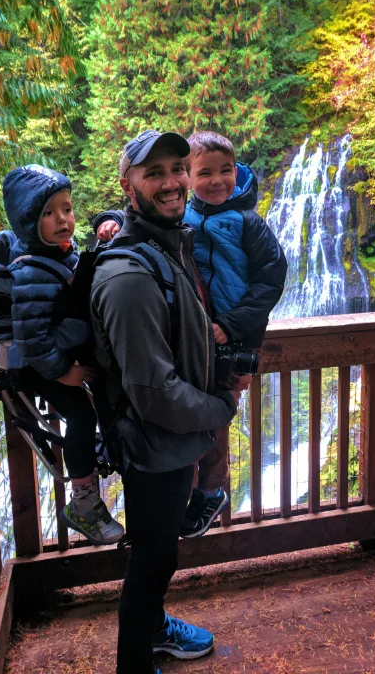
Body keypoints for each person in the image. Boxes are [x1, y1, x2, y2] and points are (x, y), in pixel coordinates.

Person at [89, 130, 243, 674]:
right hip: (155, 443)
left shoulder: (165, 247)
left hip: (173, 441)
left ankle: (154, 631)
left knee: (160, 553)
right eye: (154, 172)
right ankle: (134, 662)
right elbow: (153, 392)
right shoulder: (130, 275)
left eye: (178, 168)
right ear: (128, 185)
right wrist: (220, 410)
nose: (173, 182)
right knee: (153, 559)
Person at [95, 129, 287, 538]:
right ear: (191, 178)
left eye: (226, 171)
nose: (217, 180)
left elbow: (272, 279)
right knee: (201, 408)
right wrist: (108, 221)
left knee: (217, 417)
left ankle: (211, 491)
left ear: (238, 172)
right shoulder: (185, 215)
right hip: (201, 335)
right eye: (203, 173)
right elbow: (141, 216)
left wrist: (234, 326)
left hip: (235, 334)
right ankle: (196, 491)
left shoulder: (249, 222)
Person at [2, 164, 125, 545]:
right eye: (49, 213)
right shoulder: (30, 273)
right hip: (41, 366)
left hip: (62, 355)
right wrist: (62, 373)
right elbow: (33, 339)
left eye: (67, 209)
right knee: (81, 414)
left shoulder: (57, 254)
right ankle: (83, 504)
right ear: (27, 222)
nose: (63, 219)